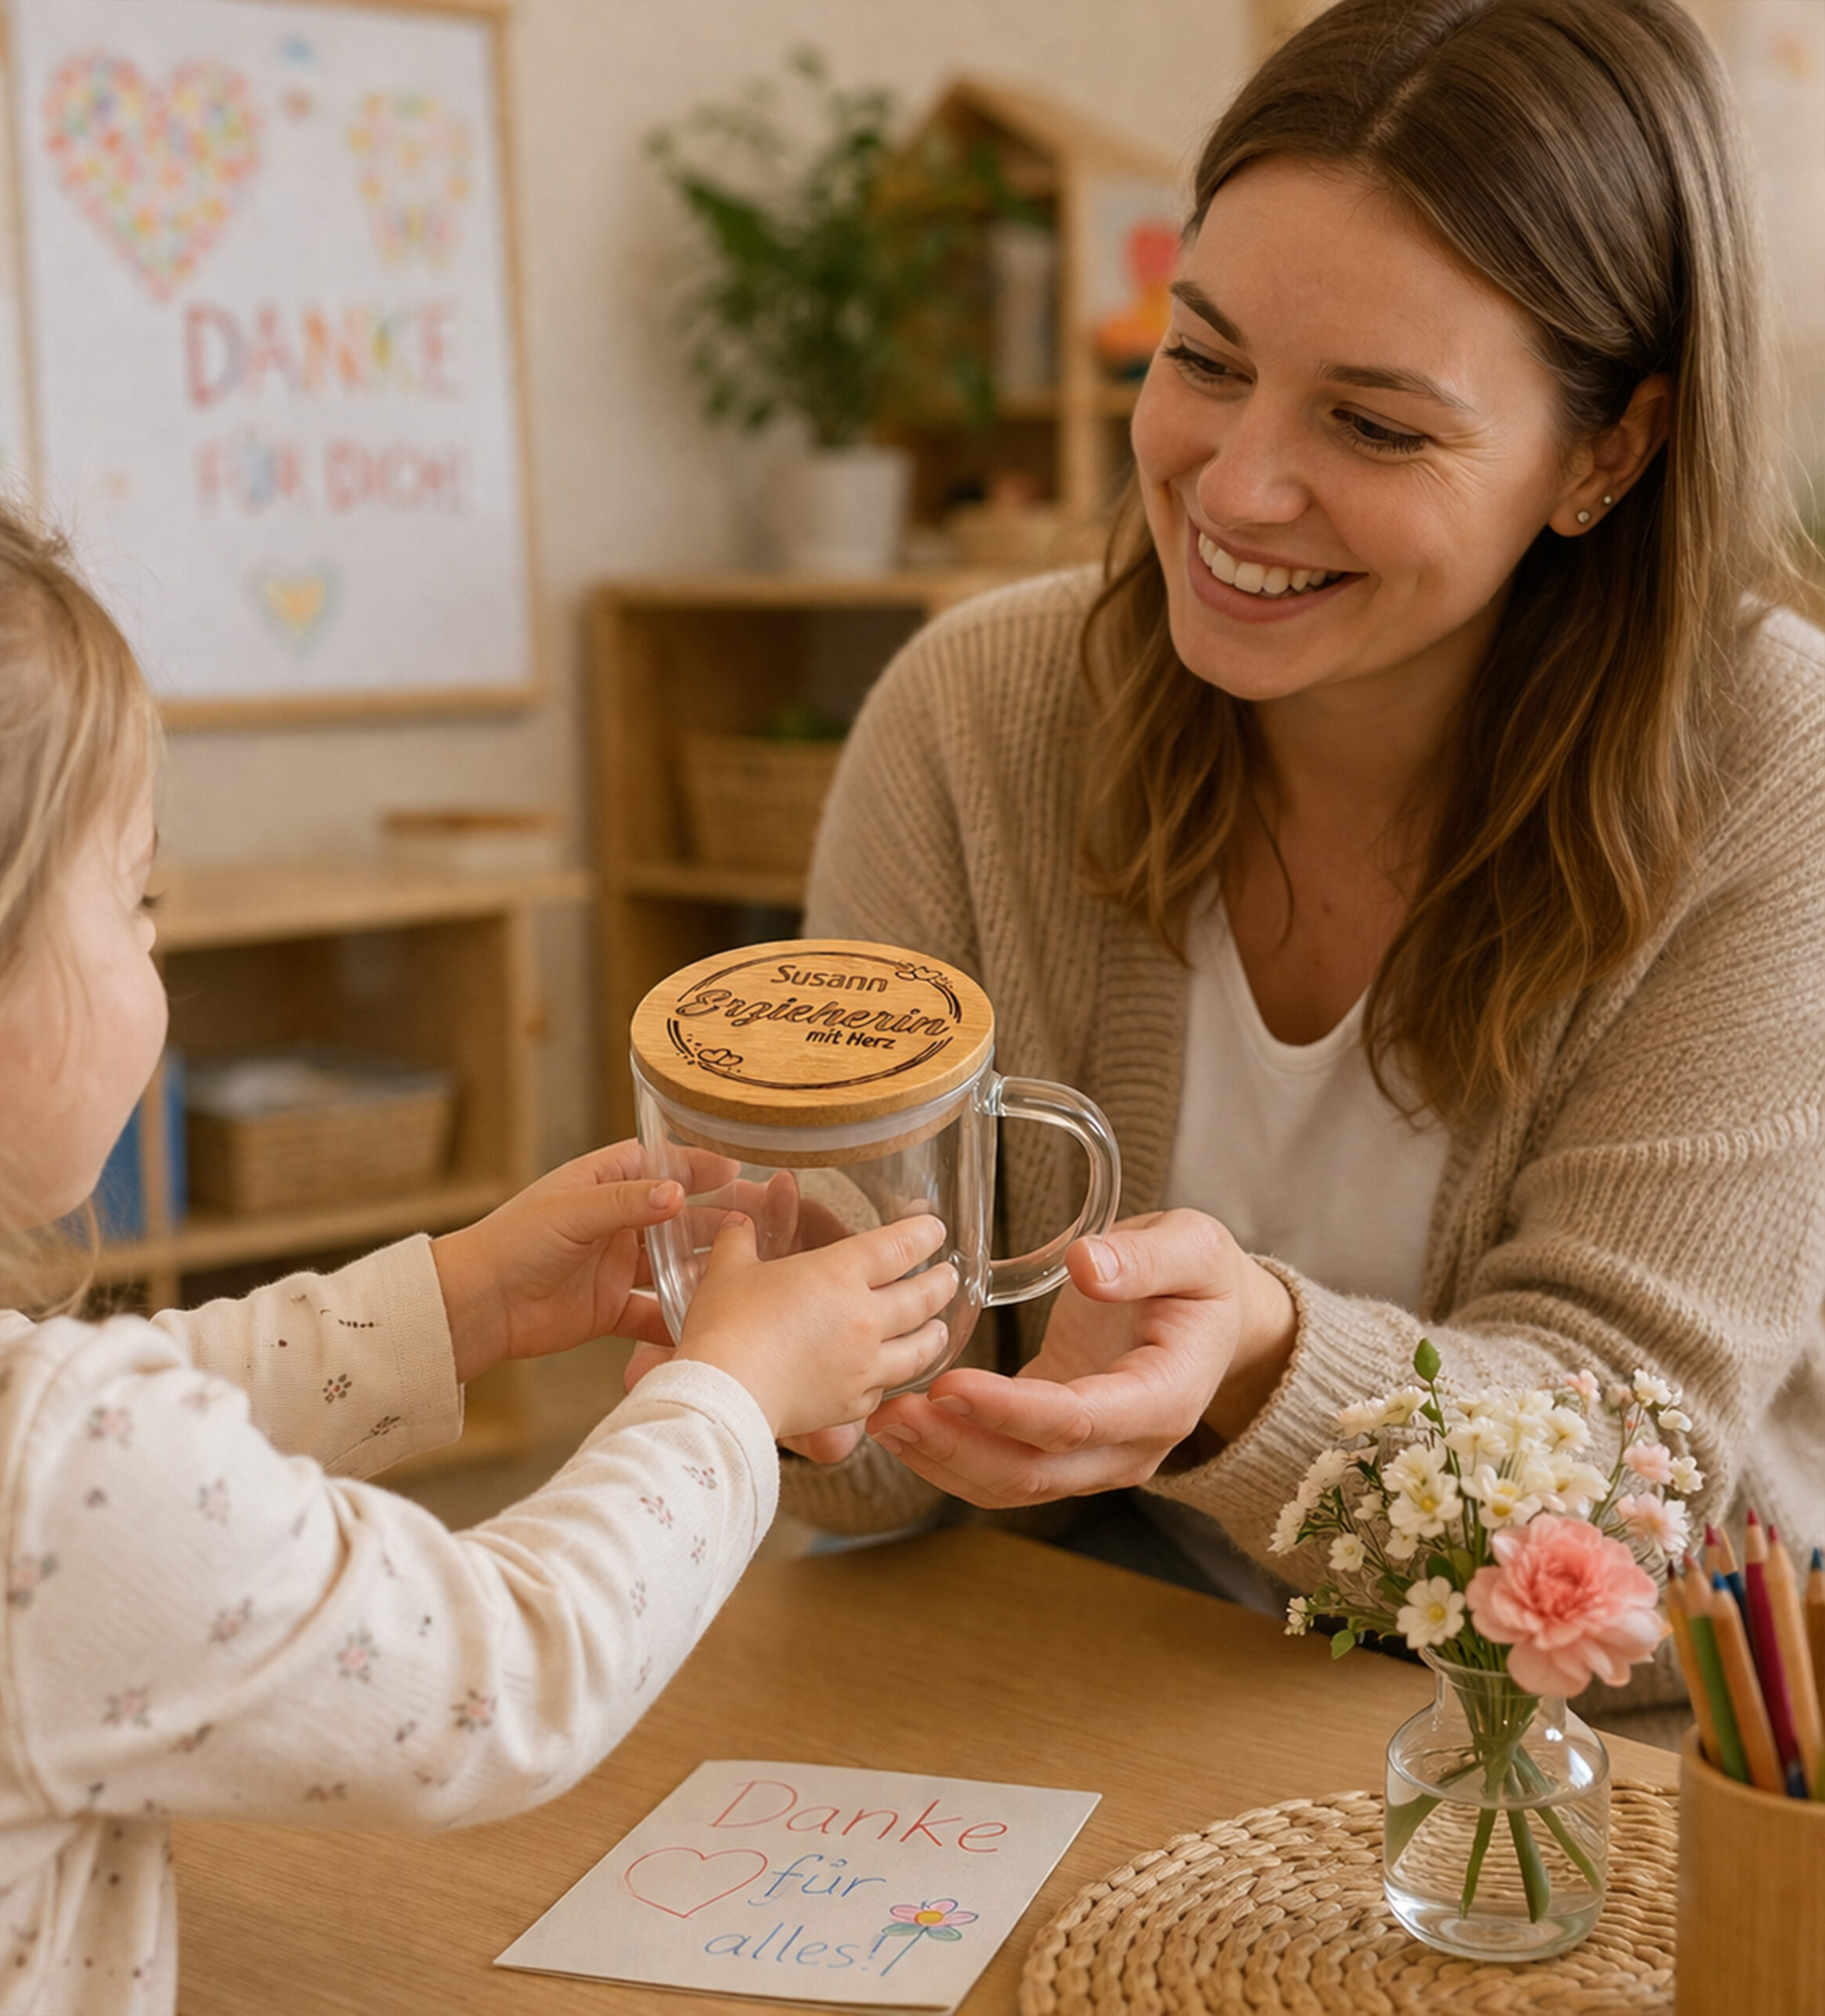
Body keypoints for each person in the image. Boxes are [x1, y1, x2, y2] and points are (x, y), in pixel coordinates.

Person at [0, 447, 957, 2013]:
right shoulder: (28, 1474)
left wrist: (453, 1301)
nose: (156, 951)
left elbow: (108, 1399)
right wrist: (732, 1399)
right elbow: (495, 1674)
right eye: (135, 905)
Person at [769, 0, 1825, 1699]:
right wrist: (771, 1342)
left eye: (1374, 426)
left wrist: (1256, 1362)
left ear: (1605, 451)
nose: (1236, 487)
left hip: (1573, 1747)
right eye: (1201, 358)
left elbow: (1621, 1494)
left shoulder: (1778, 770)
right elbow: (882, 1465)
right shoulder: (974, 715)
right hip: (1101, 1656)